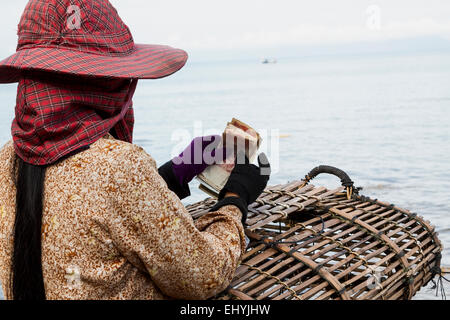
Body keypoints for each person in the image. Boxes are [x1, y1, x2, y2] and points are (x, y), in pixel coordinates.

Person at [0, 0, 270, 300]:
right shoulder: (119, 168)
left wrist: (172, 174)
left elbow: (90, 220)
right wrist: (236, 198)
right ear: (107, 82)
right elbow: (204, 275)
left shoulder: (6, 159)